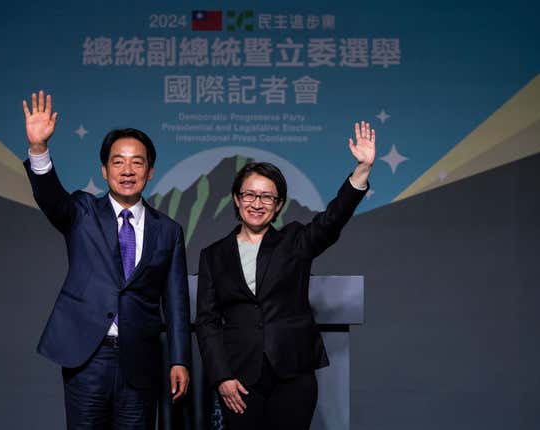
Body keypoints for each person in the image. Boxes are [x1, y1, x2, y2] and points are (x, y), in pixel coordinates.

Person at [22, 90, 191, 429]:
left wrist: (179, 359)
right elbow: (51, 199)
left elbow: (176, 302)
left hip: (140, 359)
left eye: (137, 162)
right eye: (118, 161)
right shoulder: (82, 212)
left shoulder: (168, 230)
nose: (127, 170)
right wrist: (39, 149)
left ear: (150, 170)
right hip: (88, 356)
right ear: (104, 170)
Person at [195, 122, 375, 430]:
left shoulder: (294, 242)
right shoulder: (213, 255)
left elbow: (332, 220)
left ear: (278, 205)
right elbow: (207, 321)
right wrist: (221, 376)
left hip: (292, 374)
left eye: (267, 197)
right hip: (238, 378)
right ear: (236, 200)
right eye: (249, 194)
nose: (257, 203)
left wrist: (361, 170)